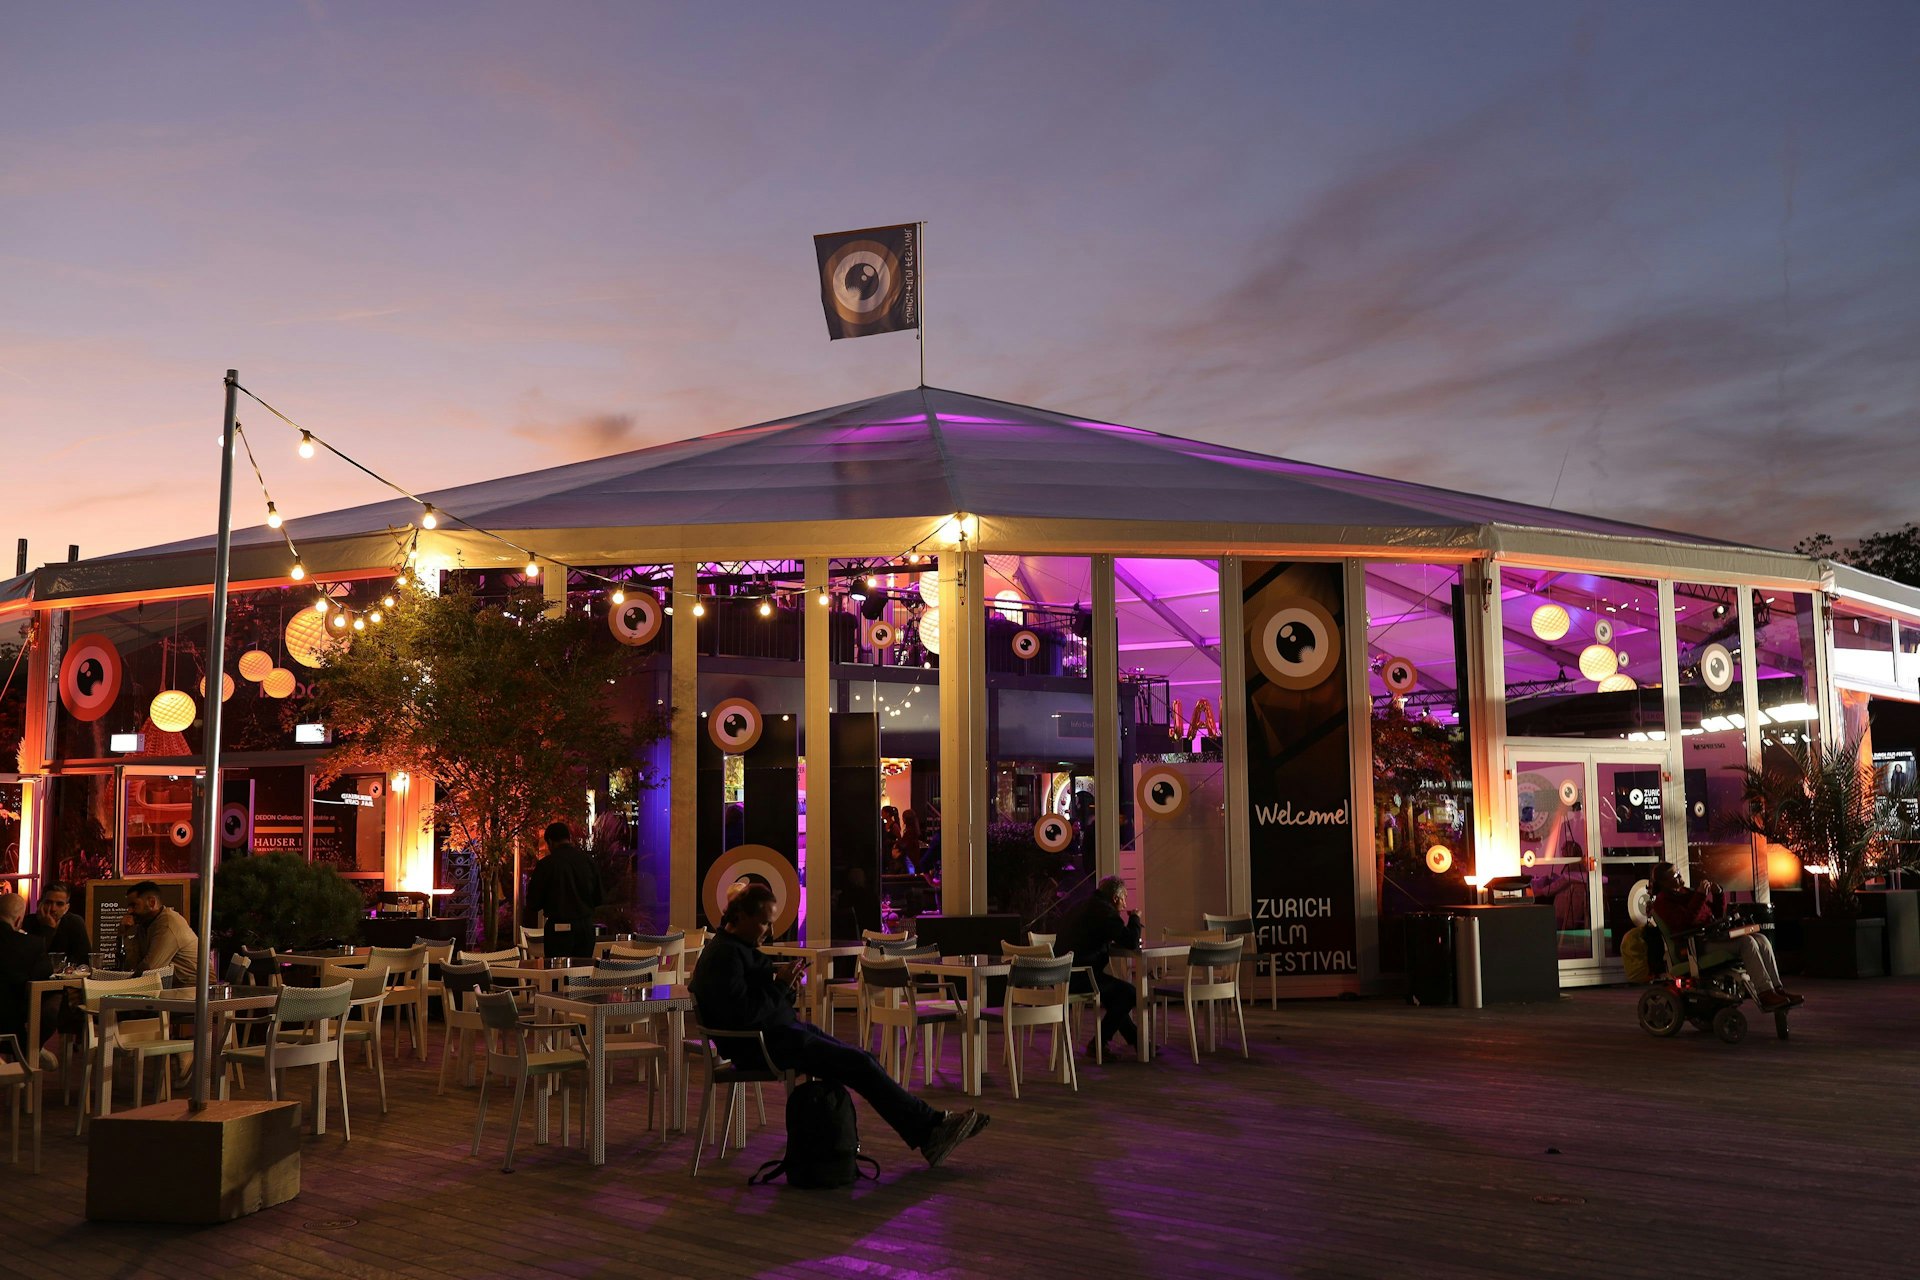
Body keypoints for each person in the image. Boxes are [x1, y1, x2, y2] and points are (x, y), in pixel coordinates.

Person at [689, 882, 989, 1167]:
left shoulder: (733, 949)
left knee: (863, 1059)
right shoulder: (725, 956)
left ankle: (930, 1127)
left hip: (778, 1034)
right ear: (741, 916)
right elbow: (745, 1015)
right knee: (859, 1062)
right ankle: (930, 1130)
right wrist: (780, 987)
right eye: (765, 923)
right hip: (763, 1045)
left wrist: (786, 987)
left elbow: (758, 1005)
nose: (768, 932)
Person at [1650, 863, 1801, 1011]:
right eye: (1675, 875)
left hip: (1711, 936)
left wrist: (1718, 895)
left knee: (1761, 939)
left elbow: (1714, 915)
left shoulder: (1686, 893)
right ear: (1664, 882)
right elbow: (1685, 922)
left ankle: (1777, 988)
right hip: (1694, 945)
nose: (1680, 876)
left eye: (1679, 872)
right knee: (1746, 942)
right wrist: (1700, 895)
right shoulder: (1663, 902)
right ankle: (1765, 993)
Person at [1062, 875, 1143, 1058]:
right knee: (1128, 993)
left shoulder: (1082, 905)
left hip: (1061, 974)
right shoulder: (1105, 912)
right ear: (1115, 898)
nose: (1125, 904)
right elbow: (1131, 941)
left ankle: (1137, 1040)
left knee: (1116, 995)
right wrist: (1135, 919)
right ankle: (1099, 1043)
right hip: (1080, 976)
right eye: (1124, 899)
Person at [522, 821, 603, 959]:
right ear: (569, 838)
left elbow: (533, 903)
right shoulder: (588, 861)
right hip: (585, 928)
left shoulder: (546, 865)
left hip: (558, 930)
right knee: (581, 973)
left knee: (557, 975)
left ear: (550, 842)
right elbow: (599, 897)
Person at [0, 893, 54, 1053]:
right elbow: (45, 974)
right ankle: (33, 1050)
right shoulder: (30, 945)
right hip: (10, 1030)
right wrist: (48, 931)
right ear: (18, 921)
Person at [121, 881, 199, 985]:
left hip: (196, 991)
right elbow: (131, 965)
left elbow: (149, 970)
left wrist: (120, 985)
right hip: (172, 989)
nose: (129, 911)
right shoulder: (144, 924)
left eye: (134, 905)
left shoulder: (167, 924)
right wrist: (125, 933)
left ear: (152, 902)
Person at [24, 881, 90, 966]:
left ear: (66, 908)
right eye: (48, 902)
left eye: (59, 904)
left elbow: (84, 961)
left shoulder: (75, 922)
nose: (53, 909)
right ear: (39, 904)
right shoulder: (27, 922)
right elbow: (30, 960)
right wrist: (48, 929)